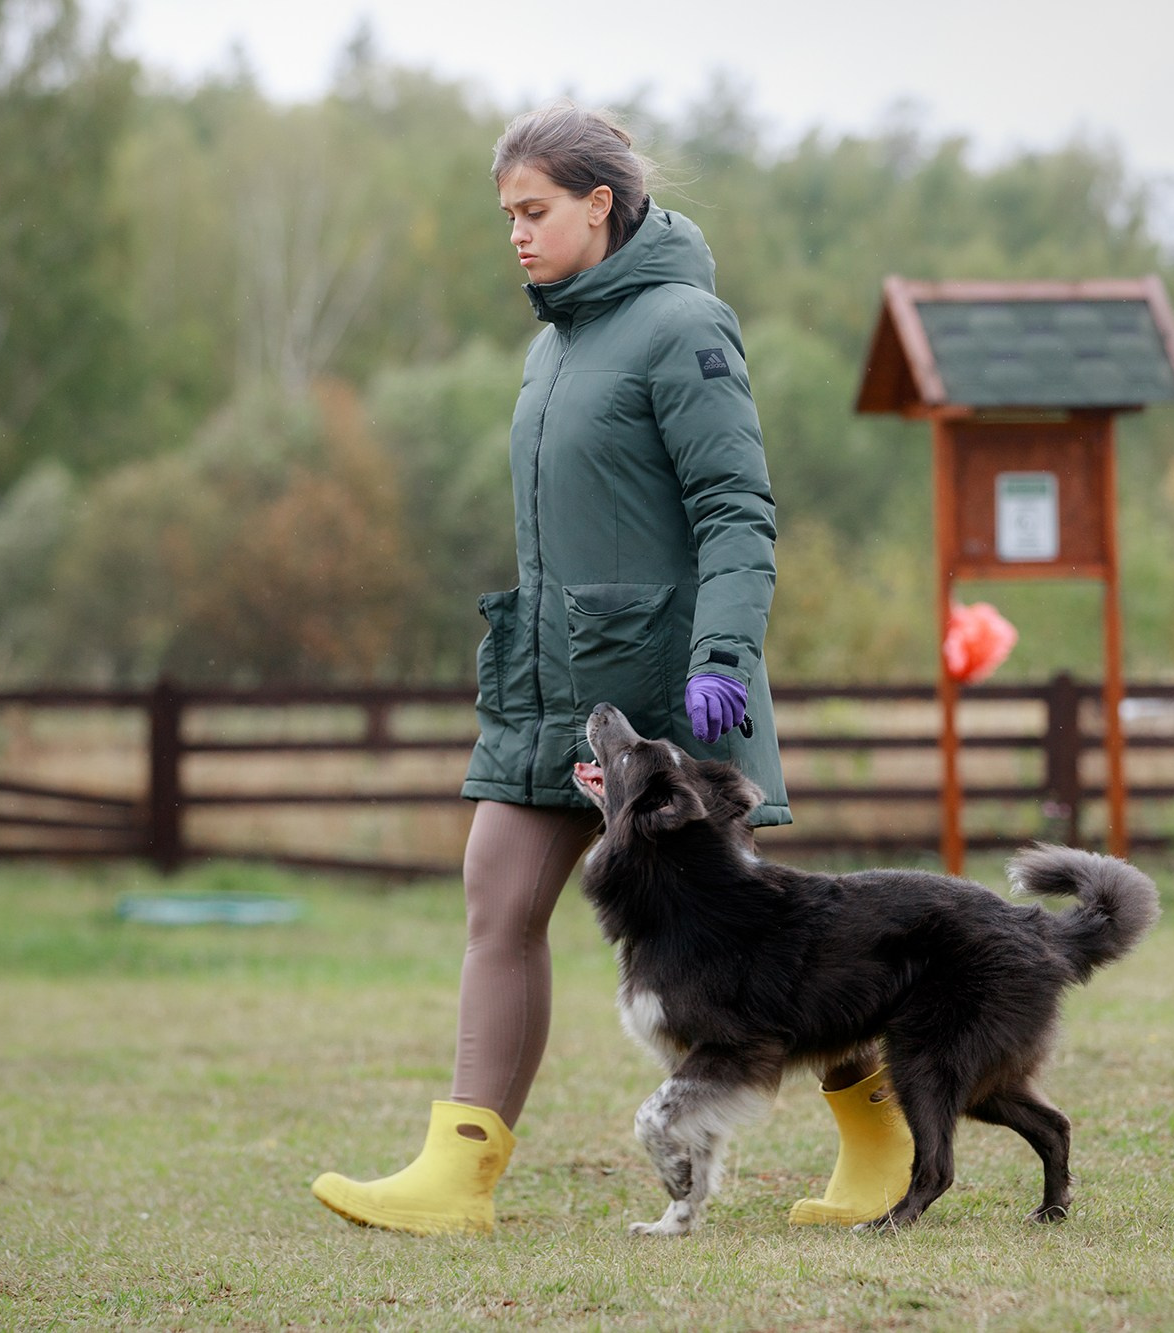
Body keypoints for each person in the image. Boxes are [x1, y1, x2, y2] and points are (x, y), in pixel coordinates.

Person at [311, 102, 911, 1236]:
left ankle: (879, 1145)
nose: (518, 238)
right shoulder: (554, 344)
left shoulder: (686, 325)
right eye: (506, 219)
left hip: (676, 696)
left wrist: (723, 655)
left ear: (601, 203)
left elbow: (735, 508)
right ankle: (457, 1177)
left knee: (763, 953)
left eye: (534, 212)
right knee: (496, 895)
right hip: (549, 683)